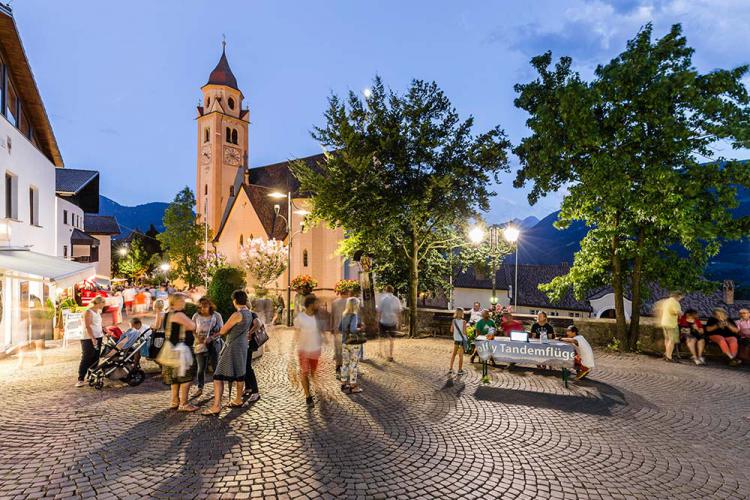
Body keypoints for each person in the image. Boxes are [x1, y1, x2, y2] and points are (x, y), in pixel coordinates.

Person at [202, 290, 252, 415]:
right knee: (240, 373)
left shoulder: (237, 314)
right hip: (242, 346)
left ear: (235, 301)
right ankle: (238, 399)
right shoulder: (249, 313)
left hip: (232, 347)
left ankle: (216, 406)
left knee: (218, 376)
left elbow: (223, 331)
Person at [162, 294, 198, 412]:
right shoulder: (179, 314)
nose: (184, 303)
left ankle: (174, 401)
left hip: (170, 349)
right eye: (182, 301)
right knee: (185, 377)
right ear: (176, 302)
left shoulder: (167, 314)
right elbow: (193, 326)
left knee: (175, 377)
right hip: (182, 350)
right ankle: (184, 403)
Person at [191, 297, 224, 397]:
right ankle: (200, 388)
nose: (203, 309)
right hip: (200, 344)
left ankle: (217, 388)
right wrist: (197, 338)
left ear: (210, 306)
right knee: (201, 368)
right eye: (201, 307)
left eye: (205, 306)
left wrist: (212, 337)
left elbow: (222, 330)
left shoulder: (216, 315)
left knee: (215, 366)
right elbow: (192, 329)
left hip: (214, 343)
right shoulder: (196, 316)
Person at [295, 294, 323, 407]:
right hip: (304, 350)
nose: (318, 305)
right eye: (316, 303)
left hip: (315, 349)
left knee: (313, 372)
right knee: (304, 372)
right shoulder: (300, 318)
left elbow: (319, 333)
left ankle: (315, 387)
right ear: (310, 304)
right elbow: (296, 335)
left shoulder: (317, 317)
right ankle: (308, 396)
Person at [76, 296, 106, 387]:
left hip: (98, 336)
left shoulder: (98, 311)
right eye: (103, 303)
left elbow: (98, 324)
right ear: (98, 303)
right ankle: (81, 378)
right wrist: (92, 338)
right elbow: (88, 326)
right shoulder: (88, 312)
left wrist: (104, 330)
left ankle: (91, 376)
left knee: (95, 357)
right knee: (86, 357)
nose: (104, 305)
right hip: (88, 338)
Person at [339, 297, 365, 393]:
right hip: (354, 343)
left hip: (345, 342)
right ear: (355, 305)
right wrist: (360, 328)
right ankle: (353, 386)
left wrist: (346, 330)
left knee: (345, 363)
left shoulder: (344, 315)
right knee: (353, 364)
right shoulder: (354, 315)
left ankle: (343, 383)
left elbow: (340, 328)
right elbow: (353, 329)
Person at [376, 285, 402, 362]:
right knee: (391, 339)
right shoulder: (396, 299)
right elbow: (399, 311)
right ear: (392, 291)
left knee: (382, 337)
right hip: (392, 321)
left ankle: (381, 352)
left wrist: (377, 320)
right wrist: (399, 321)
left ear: (386, 290)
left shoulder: (383, 299)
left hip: (383, 321)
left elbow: (379, 311)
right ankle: (390, 355)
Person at [243, 304, 262, 402]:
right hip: (243, 344)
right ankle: (248, 387)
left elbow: (258, 324)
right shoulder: (243, 314)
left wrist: (249, 333)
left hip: (248, 344)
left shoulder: (252, 314)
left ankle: (255, 392)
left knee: (247, 367)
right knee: (245, 366)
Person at [330, 289, 350, 378]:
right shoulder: (351, 302)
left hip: (337, 329)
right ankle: (346, 369)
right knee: (347, 348)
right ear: (347, 292)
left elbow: (332, 316)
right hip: (347, 329)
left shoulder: (334, 302)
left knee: (338, 350)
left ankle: (338, 368)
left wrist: (331, 327)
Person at [657, 292, 682, 362]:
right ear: (678, 296)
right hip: (671, 323)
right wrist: (681, 313)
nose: (681, 299)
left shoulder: (666, 301)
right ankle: (669, 356)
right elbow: (677, 312)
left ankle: (666, 353)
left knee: (667, 339)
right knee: (672, 340)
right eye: (681, 297)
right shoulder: (675, 302)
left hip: (664, 322)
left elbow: (660, 311)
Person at [449, 308, 468, 375]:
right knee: (461, 356)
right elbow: (464, 332)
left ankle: (450, 368)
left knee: (454, 354)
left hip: (456, 339)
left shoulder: (453, 321)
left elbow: (451, 330)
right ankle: (459, 370)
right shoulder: (464, 322)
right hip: (462, 340)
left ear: (456, 313)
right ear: (462, 314)